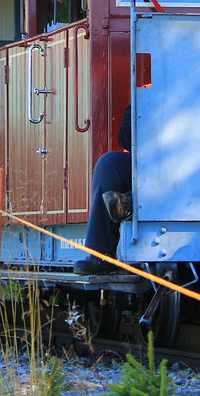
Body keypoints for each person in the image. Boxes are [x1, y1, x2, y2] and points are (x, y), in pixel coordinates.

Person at [73, 106, 133, 275]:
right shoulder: (150, 95)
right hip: (152, 167)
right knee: (109, 163)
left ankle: (132, 200)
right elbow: (125, 139)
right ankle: (101, 254)